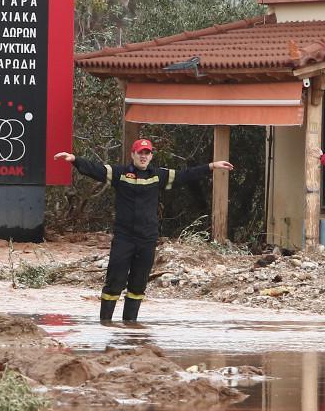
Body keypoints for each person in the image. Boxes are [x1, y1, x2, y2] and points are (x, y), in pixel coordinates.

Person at [53, 138, 234, 323]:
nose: (143, 156)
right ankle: (105, 324)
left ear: (151, 156)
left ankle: (130, 328)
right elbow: (96, 170)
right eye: (140, 153)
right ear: (133, 154)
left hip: (147, 239)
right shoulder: (120, 173)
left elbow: (185, 175)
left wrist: (211, 166)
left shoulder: (157, 175)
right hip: (124, 238)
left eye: (147, 153)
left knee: (138, 285)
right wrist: (74, 159)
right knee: (114, 282)